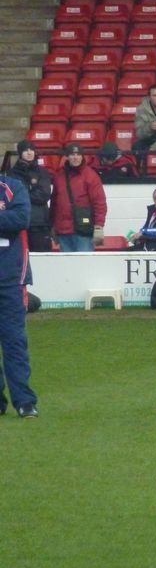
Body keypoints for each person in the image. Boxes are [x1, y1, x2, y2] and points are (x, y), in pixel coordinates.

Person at [0, 174, 39, 418]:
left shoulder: (13, 186)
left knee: (14, 342)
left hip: (11, 278)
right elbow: (10, 219)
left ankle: (24, 401)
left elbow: (21, 219)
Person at [50, 144, 107, 252]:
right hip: (63, 231)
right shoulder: (59, 176)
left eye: (78, 154)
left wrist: (99, 226)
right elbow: (54, 204)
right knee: (67, 267)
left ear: (82, 157)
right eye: (72, 154)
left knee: (84, 266)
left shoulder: (91, 176)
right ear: (67, 157)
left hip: (83, 231)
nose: (75, 157)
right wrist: (53, 225)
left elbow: (99, 203)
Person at [8, 140, 52, 252]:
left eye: (31, 150)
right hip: (19, 223)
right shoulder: (12, 174)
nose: (29, 152)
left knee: (42, 260)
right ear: (20, 153)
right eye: (26, 150)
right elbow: (13, 196)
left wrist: (24, 193)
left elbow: (44, 195)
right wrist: (32, 189)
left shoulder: (42, 172)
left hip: (40, 223)